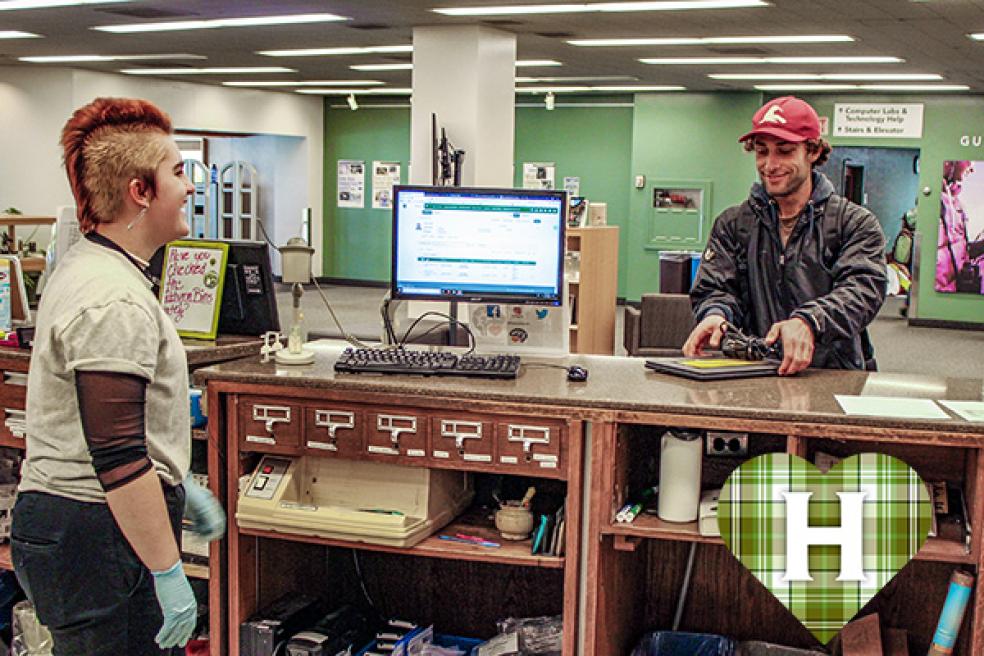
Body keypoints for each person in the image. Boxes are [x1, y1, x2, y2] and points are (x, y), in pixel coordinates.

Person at [11, 97, 226, 655]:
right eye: (178, 173)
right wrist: (168, 569)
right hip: (94, 535)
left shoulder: (92, 267)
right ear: (140, 191)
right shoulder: (113, 300)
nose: (190, 187)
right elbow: (119, 457)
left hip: (83, 525)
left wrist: (179, 481)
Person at [683, 96, 887, 375]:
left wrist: (810, 321)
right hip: (752, 372)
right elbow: (717, 288)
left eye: (785, 151)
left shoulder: (853, 223)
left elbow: (863, 290)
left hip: (831, 373)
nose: (770, 164)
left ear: (813, 152)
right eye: (762, 151)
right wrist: (716, 314)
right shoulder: (733, 224)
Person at [936, 160, 984, 294]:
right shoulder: (934, 198)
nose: (972, 169)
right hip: (940, 294)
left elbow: (959, 248)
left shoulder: (956, 203)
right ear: (950, 162)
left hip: (954, 289)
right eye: (970, 161)